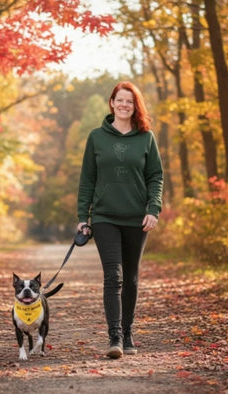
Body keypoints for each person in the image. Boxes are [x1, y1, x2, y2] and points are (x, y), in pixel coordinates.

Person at [76, 81, 164, 359]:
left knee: (132, 278)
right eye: (120, 100)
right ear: (112, 103)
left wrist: (154, 208)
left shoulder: (146, 138)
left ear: (135, 106)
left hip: (137, 218)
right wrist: (83, 217)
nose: (125, 105)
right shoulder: (96, 137)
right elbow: (87, 179)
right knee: (113, 276)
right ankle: (114, 337)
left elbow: (155, 177)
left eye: (130, 101)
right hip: (104, 217)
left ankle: (128, 334)